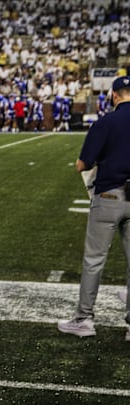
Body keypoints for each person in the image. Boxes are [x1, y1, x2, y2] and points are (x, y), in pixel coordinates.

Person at [58, 76, 130, 340]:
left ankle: (84, 319)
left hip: (109, 196)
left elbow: (82, 164)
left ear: (114, 96)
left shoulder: (106, 122)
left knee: (94, 261)